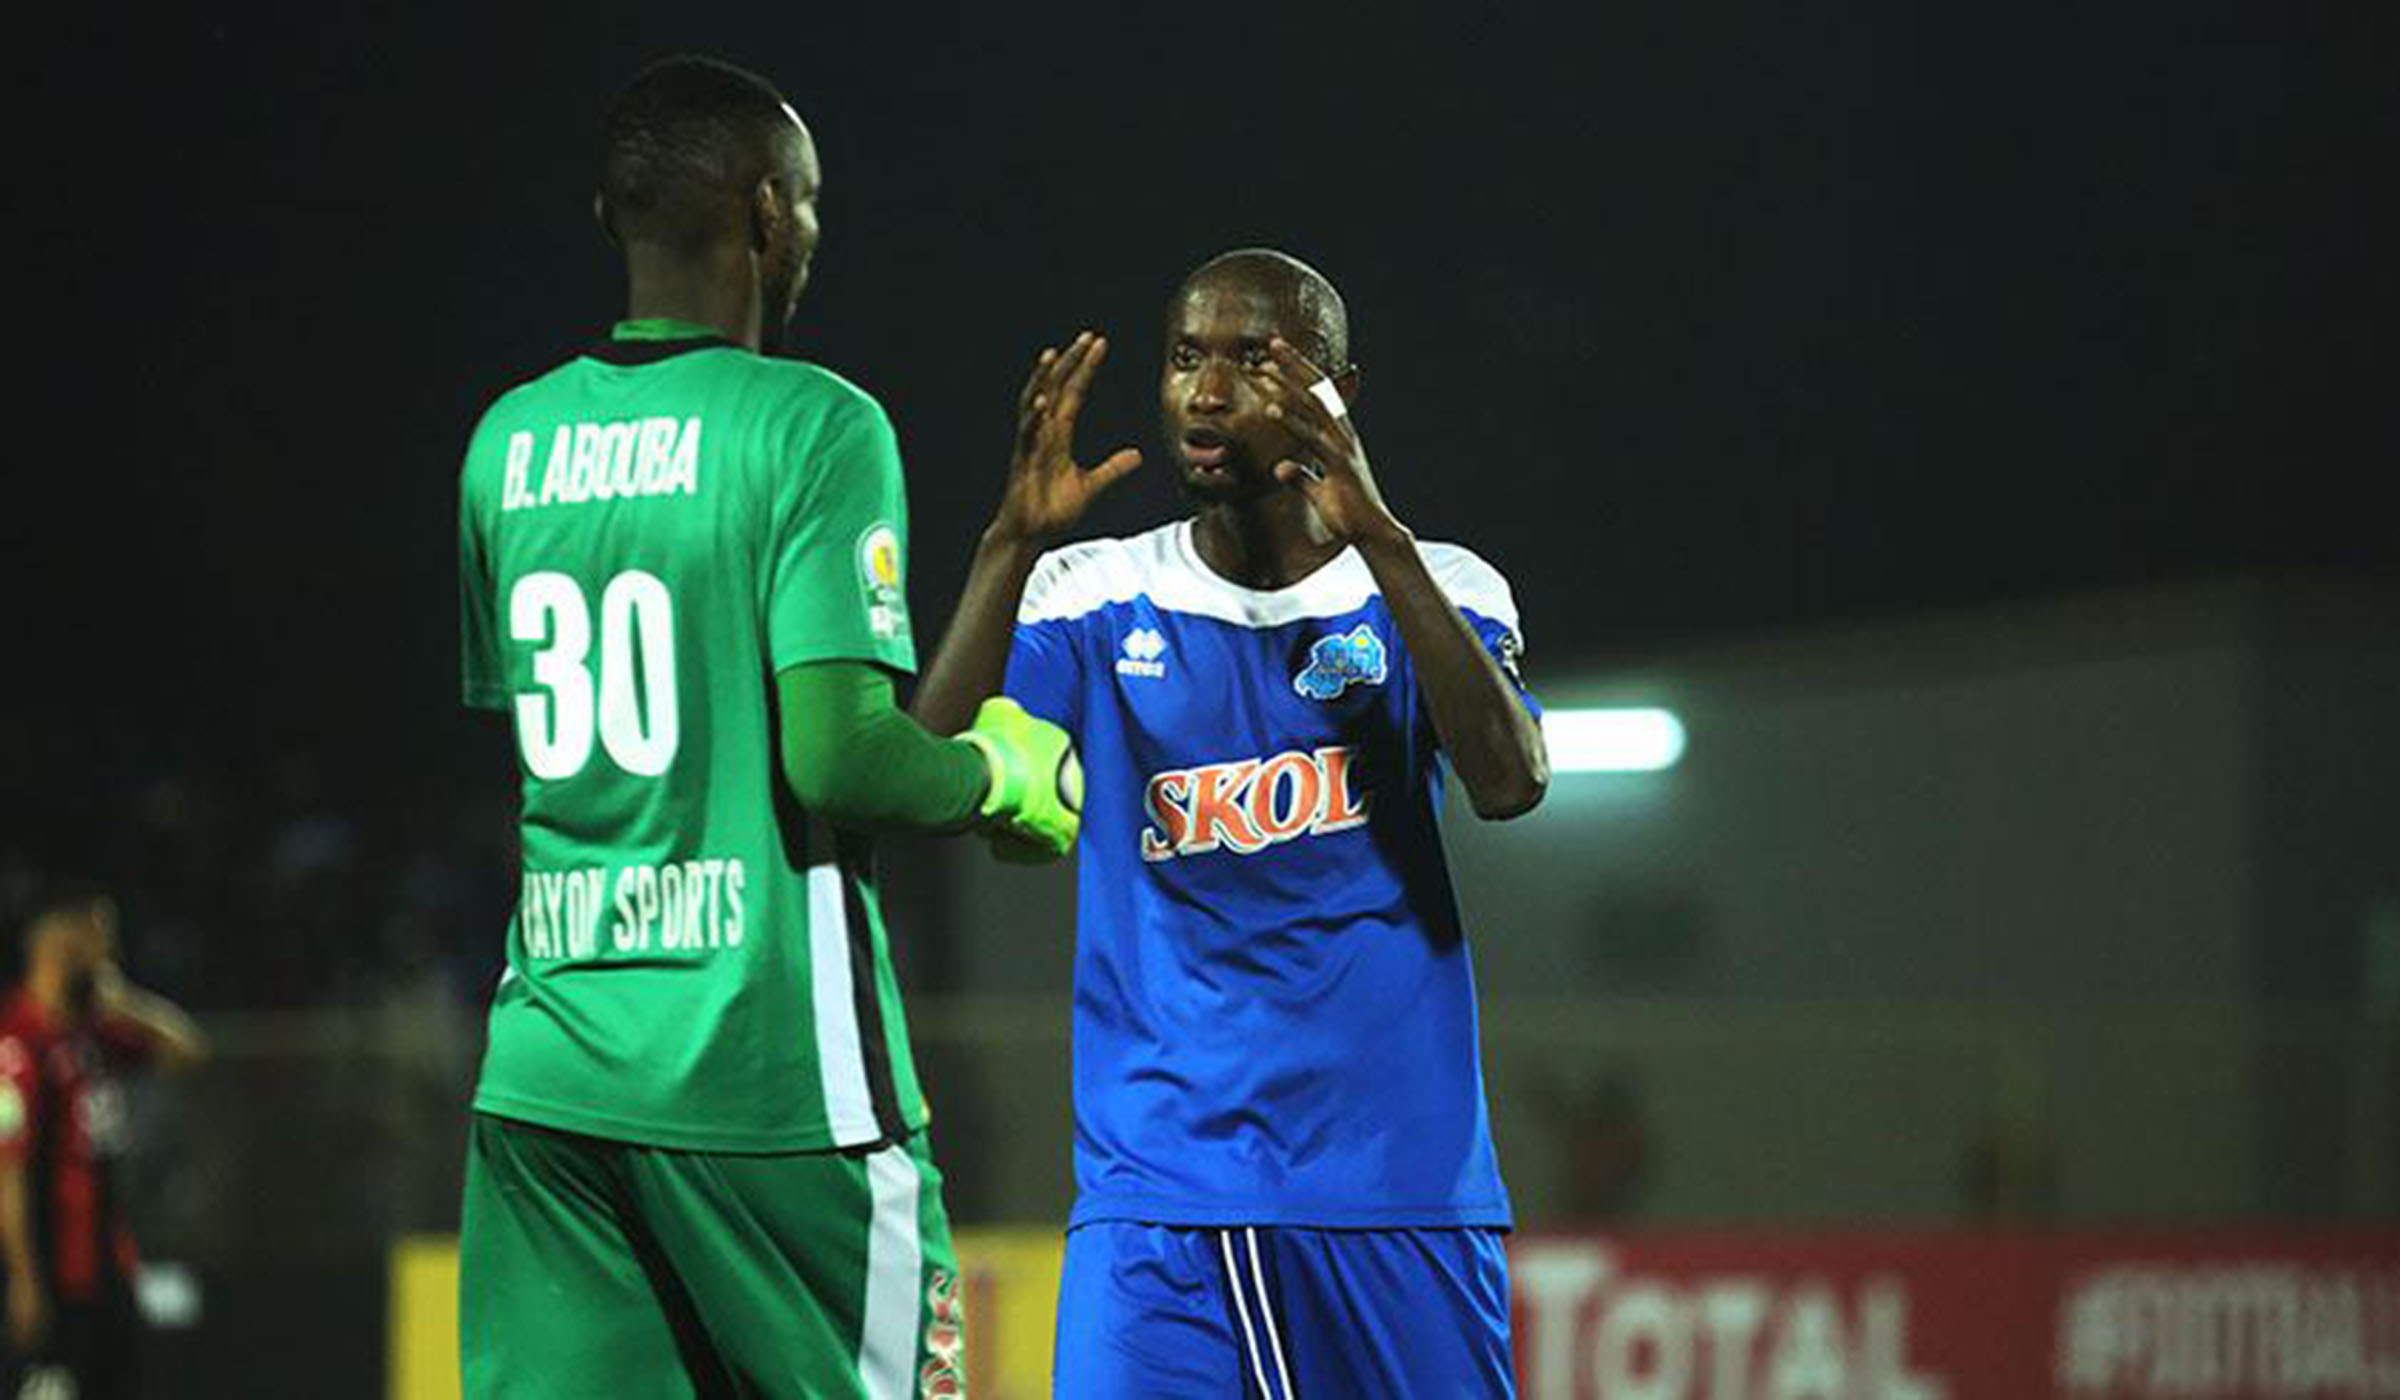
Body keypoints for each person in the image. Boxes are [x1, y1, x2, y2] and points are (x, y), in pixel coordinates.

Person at [453, 55, 1079, 1398]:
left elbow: (675, 752)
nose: (811, 231)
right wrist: (999, 776)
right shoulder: (814, 424)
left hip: (551, 1078)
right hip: (770, 1085)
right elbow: (839, 760)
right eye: (807, 200)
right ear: (760, 212)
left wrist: (1000, 556)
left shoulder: (505, 444)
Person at [912, 249, 1550, 1396]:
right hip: (1159, 1203)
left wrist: (1382, 537)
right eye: (1186, 358)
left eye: (1253, 361)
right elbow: (919, 774)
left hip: (1395, 1193)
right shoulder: (1094, 594)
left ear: (1335, 387)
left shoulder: (1440, 585)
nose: (1206, 394)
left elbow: (1510, 778)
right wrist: (1007, 544)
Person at [1, 884, 208, 1399]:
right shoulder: (19, 1043)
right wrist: (25, 1279)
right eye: (98, 934)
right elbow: (10, 1172)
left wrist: (128, 1003)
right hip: (55, 1275)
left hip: (107, 1265)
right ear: (60, 942)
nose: (110, 949)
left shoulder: (94, 1031)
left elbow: (188, 1052)